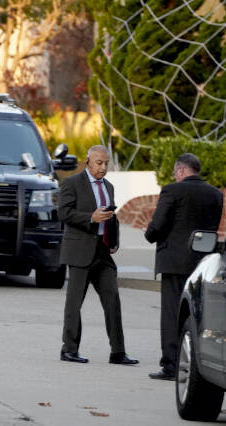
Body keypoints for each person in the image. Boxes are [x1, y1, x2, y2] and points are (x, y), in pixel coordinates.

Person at [145, 153, 223, 380]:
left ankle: (171, 365)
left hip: (174, 262)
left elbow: (157, 225)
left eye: (175, 172)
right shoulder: (215, 194)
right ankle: (196, 365)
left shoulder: (172, 191)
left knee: (172, 315)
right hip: (203, 263)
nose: (174, 176)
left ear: (181, 170)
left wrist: (150, 234)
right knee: (198, 315)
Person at [58, 145, 138, 365]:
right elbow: (63, 213)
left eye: (106, 163)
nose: (103, 167)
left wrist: (114, 241)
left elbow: (112, 217)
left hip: (103, 253)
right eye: (98, 163)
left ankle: (118, 352)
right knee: (74, 304)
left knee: (113, 300)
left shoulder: (108, 186)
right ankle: (69, 349)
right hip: (80, 251)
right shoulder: (72, 183)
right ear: (88, 162)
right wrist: (90, 218)